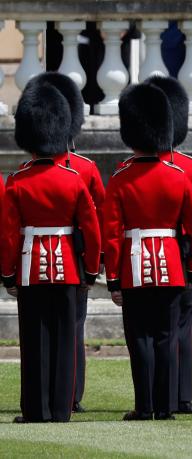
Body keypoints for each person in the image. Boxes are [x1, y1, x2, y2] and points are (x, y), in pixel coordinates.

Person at [114, 75, 192, 415]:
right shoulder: (179, 175)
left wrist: (113, 278)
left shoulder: (120, 177)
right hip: (172, 263)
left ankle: (144, 406)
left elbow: (113, 232)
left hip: (133, 264)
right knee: (168, 335)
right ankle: (168, 404)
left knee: (140, 337)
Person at [2, 74, 101, 423]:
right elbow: (91, 228)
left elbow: (9, 234)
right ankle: (61, 409)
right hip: (68, 268)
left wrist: (8, 273)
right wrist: (90, 269)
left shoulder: (17, 181)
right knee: (64, 338)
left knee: (34, 340)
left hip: (30, 268)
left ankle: (36, 409)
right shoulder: (75, 180)